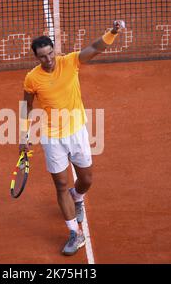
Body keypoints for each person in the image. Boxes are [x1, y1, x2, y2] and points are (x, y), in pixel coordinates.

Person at [19, 21, 123, 256]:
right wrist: (24, 135)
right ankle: (75, 233)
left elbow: (95, 48)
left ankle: (77, 198)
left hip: (77, 132)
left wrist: (112, 32)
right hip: (51, 137)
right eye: (42, 57)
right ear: (36, 57)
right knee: (61, 185)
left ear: (55, 50)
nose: (48, 60)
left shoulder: (70, 62)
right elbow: (26, 107)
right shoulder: (32, 78)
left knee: (86, 180)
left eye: (50, 54)